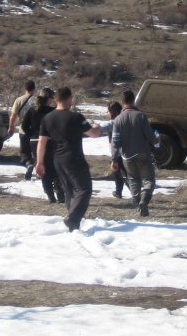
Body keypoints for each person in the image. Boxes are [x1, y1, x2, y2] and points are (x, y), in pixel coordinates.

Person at [35, 86, 101, 231]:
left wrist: (39, 162)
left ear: (56, 99)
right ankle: (72, 218)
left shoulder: (47, 118)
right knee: (84, 189)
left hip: (57, 159)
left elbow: (41, 142)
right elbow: (94, 134)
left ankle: (73, 224)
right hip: (74, 158)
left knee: (70, 191)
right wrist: (97, 126)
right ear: (70, 99)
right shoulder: (76, 117)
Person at [111, 89, 160, 216]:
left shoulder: (117, 120)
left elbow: (115, 142)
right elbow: (151, 137)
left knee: (133, 180)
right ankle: (144, 200)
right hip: (143, 153)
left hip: (127, 156)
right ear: (133, 101)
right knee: (149, 180)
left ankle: (138, 203)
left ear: (122, 102)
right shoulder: (141, 116)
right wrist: (157, 139)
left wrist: (114, 159)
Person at [22, 87, 64, 204]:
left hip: (34, 141)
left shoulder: (32, 110)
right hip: (49, 141)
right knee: (55, 166)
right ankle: (59, 192)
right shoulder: (53, 111)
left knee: (42, 167)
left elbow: (24, 126)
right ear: (49, 98)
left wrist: (32, 134)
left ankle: (50, 195)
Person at [97, 101, 127, 200]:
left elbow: (101, 128)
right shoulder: (123, 120)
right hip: (123, 151)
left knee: (121, 173)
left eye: (108, 111)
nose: (107, 113)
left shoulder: (114, 122)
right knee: (120, 173)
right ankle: (118, 192)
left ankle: (134, 193)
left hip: (118, 152)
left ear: (112, 112)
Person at [7, 79, 37, 177]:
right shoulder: (38, 100)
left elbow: (13, 116)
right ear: (34, 89)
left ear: (25, 89)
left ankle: (28, 164)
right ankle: (39, 170)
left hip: (23, 130)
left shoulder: (19, 100)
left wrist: (11, 127)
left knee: (25, 153)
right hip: (36, 132)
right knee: (37, 152)